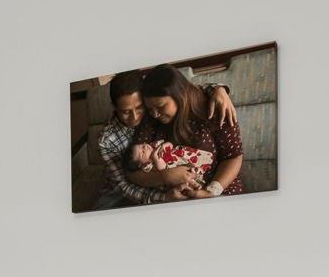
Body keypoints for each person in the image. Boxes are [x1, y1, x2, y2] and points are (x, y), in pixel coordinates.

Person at [93, 69, 236, 208]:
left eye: (140, 107)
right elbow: (126, 184)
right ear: (114, 107)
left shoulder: (153, 111)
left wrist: (218, 89)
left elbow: (176, 87)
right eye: (125, 112)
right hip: (120, 192)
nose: (135, 117)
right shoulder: (107, 140)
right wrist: (165, 193)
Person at [136, 63, 243, 199]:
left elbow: (233, 156)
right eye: (150, 109)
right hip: (174, 199)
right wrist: (165, 176)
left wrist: (211, 192)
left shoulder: (214, 107)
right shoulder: (150, 119)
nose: (155, 114)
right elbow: (132, 171)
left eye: (161, 107)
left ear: (180, 95)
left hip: (219, 192)